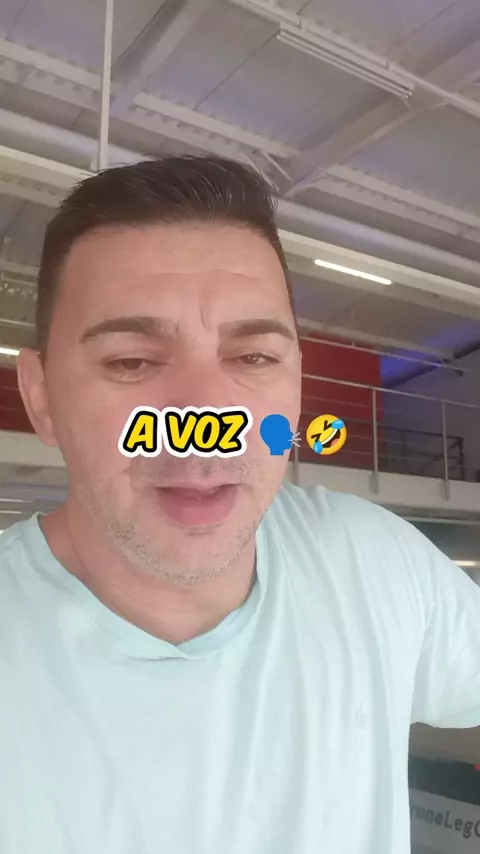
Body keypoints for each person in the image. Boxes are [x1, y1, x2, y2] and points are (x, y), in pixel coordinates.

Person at [0, 156, 478, 854]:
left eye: (253, 358)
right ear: (41, 397)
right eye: (132, 361)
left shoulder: (374, 565)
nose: (204, 417)